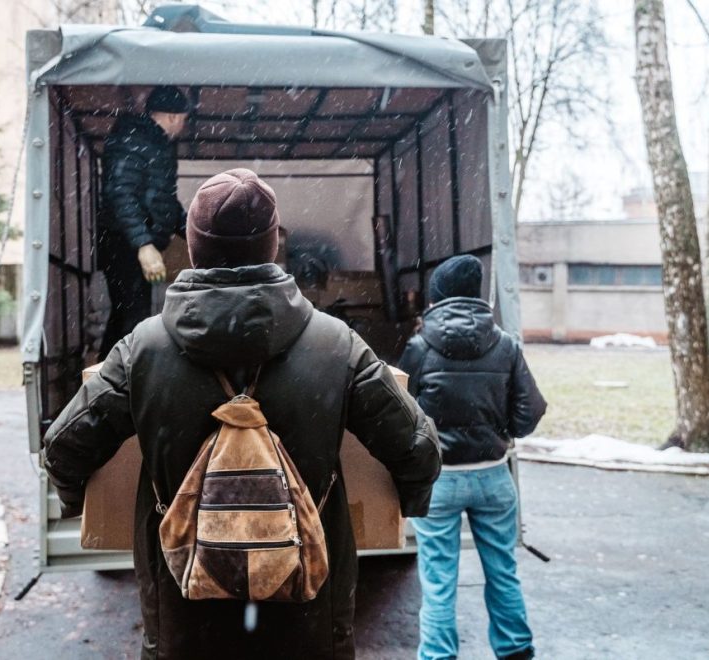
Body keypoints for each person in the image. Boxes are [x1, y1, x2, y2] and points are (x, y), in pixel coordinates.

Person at [44, 168, 442, 659]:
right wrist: (404, 503)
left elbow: (63, 449)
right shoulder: (336, 344)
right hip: (307, 612)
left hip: (185, 610)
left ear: (194, 247)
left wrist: (82, 503)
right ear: (273, 245)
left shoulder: (142, 349)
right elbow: (418, 449)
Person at [399, 255, 547, 660]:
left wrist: (420, 449)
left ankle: (439, 655)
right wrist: (501, 431)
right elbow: (530, 411)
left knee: (438, 581)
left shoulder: (419, 347)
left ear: (438, 298)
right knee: (503, 572)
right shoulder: (506, 346)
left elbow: (400, 413)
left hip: (440, 480)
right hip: (493, 477)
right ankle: (515, 649)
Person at [98, 85, 190, 358]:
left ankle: (109, 375)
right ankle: (119, 378)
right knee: (132, 318)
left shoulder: (155, 144)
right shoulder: (134, 139)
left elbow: (164, 202)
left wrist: (197, 231)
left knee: (129, 315)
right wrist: (143, 244)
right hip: (124, 243)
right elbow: (120, 193)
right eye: (183, 120)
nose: (183, 126)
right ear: (173, 116)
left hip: (133, 241)